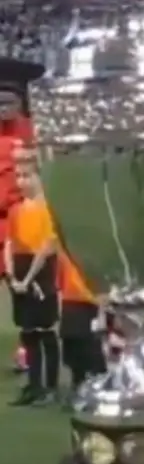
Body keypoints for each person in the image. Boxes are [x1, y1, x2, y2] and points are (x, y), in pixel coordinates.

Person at [4, 159, 60, 406]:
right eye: (18, 176)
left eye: (27, 175)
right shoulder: (17, 210)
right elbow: (9, 243)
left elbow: (48, 246)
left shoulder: (48, 209)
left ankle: (51, 386)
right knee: (28, 332)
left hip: (40, 274)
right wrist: (12, 275)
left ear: (39, 177)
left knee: (45, 330)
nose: (22, 181)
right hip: (20, 272)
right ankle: (34, 385)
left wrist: (27, 279)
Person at [0, 58, 39, 375]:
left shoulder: (31, 133)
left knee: (24, 289)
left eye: (9, 101)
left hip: (21, 221)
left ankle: (27, 350)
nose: (3, 107)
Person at [57, 248, 106, 401]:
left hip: (91, 302)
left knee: (90, 347)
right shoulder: (66, 248)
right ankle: (77, 384)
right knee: (71, 344)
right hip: (70, 300)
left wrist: (102, 311)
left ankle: (96, 388)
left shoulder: (95, 251)